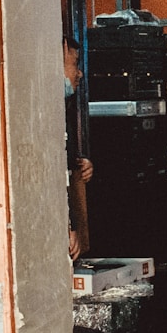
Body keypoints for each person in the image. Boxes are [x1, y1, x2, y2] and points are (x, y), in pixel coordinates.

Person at [64, 36, 94, 260]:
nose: (80, 73)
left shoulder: (64, 104)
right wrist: (67, 226)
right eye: (74, 64)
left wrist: (80, 162)